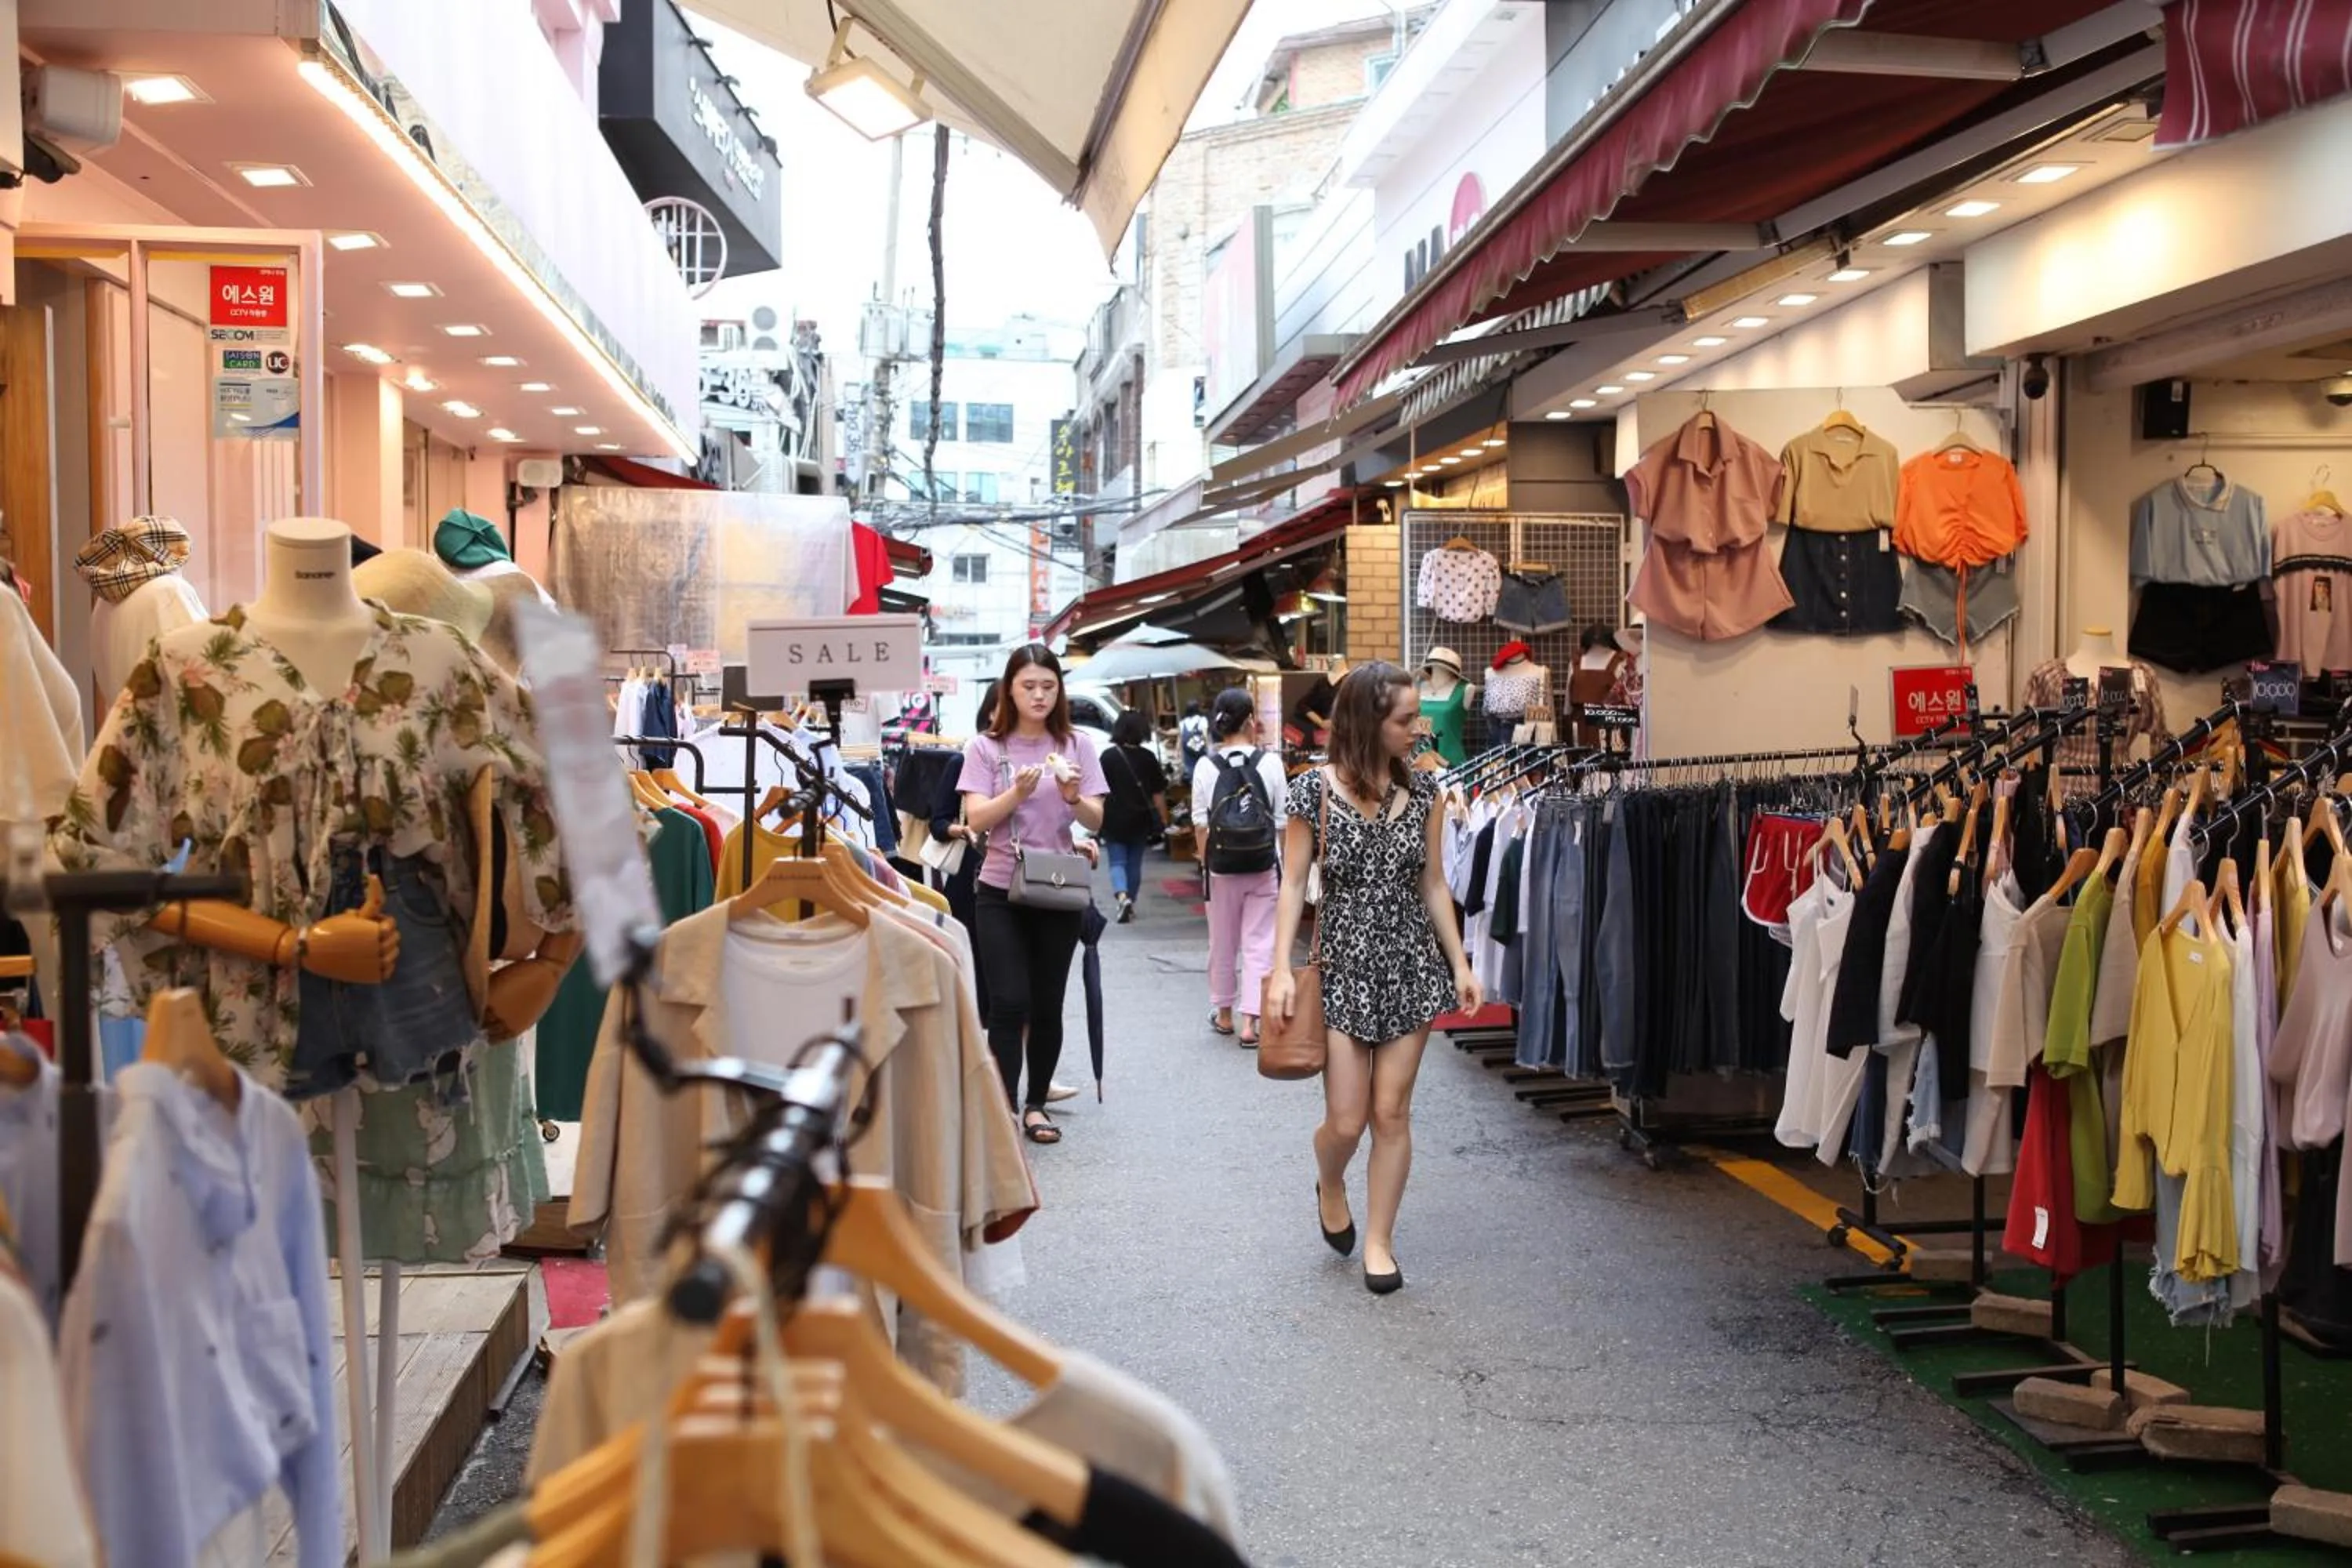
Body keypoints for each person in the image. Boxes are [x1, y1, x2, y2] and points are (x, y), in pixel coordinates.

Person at [1265, 662, 1480, 1294]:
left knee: (1391, 1113)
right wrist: (1280, 968)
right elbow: (1295, 884)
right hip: (1342, 968)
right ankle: (1330, 1179)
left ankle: (1380, 1242)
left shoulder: (1427, 794)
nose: (1420, 729)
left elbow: (1434, 883)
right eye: (1406, 720)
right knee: (1346, 1121)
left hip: (1411, 965)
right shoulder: (1312, 793)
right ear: (1368, 722)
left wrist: (1460, 963)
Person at [960, 644, 1107, 1144]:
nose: (1040, 695)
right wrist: (1016, 794)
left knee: (1047, 1003)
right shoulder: (985, 749)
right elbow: (975, 820)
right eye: (1029, 686)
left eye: (1048, 685)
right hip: (999, 889)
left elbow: (1095, 818)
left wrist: (1073, 797)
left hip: (1058, 889)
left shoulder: (1077, 745)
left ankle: (1035, 1104)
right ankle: (1002, 1106)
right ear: (1009, 690)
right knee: (1007, 1002)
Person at [1191, 688, 1287, 1047]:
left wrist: (1207, 865)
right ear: (1250, 721)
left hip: (1221, 868)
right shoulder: (1271, 763)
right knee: (1260, 942)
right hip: (1264, 866)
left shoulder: (1205, 765)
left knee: (1223, 941)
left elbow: (1201, 824)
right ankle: (1252, 1022)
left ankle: (1225, 1014)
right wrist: (1284, 865)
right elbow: (1281, 821)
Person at [1099, 710, 1168, 924]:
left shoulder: (1108, 757)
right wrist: (1164, 819)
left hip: (1113, 818)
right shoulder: (1148, 757)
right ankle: (1130, 900)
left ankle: (1122, 896)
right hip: (1140, 819)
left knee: (1117, 862)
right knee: (1134, 864)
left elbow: (1099, 792)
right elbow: (1158, 794)